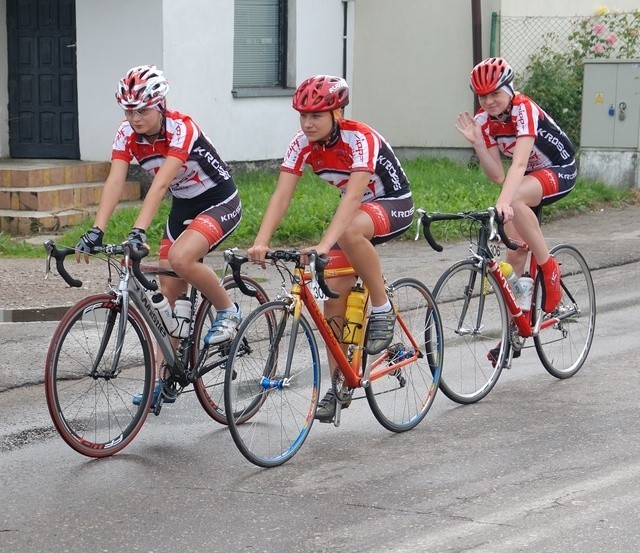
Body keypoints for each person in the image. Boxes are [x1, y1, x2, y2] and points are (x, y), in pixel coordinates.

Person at [247, 75, 414, 422]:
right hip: (354, 217)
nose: (307, 124)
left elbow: (354, 195)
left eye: (316, 116)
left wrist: (324, 243)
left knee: (350, 233)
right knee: (332, 304)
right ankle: (341, 383)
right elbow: (282, 195)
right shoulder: (301, 144)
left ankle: (381, 308)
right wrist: (261, 240)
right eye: (303, 116)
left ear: (337, 113)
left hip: (392, 204)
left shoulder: (361, 138)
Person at [75, 64, 243, 406]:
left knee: (181, 259)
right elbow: (115, 181)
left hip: (218, 200)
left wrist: (138, 230)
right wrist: (96, 230)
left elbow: (162, 182)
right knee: (167, 300)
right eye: (129, 111)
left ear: (160, 105)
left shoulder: (182, 128)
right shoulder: (126, 134)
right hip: (183, 207)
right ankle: (168, 376)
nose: (135, 118)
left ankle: (228, 311)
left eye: (142, 110)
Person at [455, 57, 577, 365]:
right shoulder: (484, 121)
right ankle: (516, 333)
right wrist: (478, 144)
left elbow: (519, 163)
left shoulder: (524, 109)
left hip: (558, 169)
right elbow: (498, 175)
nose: (489, 101)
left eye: (495, 93)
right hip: (526, 180)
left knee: (516, 200)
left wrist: (505, 202)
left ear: (509, 89)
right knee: (516, 255)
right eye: (483, 96)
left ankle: (550, 268)